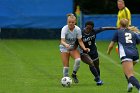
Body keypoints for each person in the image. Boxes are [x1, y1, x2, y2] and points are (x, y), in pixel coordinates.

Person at [79, 21, 117, 85]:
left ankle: (98, 79)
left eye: (90, 28)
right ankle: (98, 79)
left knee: (96, 66)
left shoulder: (94, 31)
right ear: (85, 27)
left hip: (93, 51)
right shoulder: (80, 33)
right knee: (90, 62)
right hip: (84, 52)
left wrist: (116, 28)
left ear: (92, 28)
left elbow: (105, 28)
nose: (88, 30)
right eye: (87, 28)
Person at [107, 18, 140, 93]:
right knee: (127, 71)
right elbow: (138, 41)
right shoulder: (133, 32)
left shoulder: (118, 32)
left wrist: (108, 51)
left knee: (130, 74)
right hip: (135, 55)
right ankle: (129, 84)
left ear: (119, 24)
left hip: (126, 54)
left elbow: (111, 45)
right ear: (127, 24)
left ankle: (138, 87)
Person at [59, 13, 90, 83]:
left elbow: (80, 41)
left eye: (72, 22)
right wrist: (66, 45)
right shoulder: (64, 29)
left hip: (73, 47)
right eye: (69, 22)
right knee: (66, 67)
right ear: (67, 22)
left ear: (75, 22)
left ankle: (74, 74)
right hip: (64, 47)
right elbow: (62, 41)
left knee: (78, 60)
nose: (71, 23)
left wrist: (84, 48)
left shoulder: (78, 29)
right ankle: (65, 81)